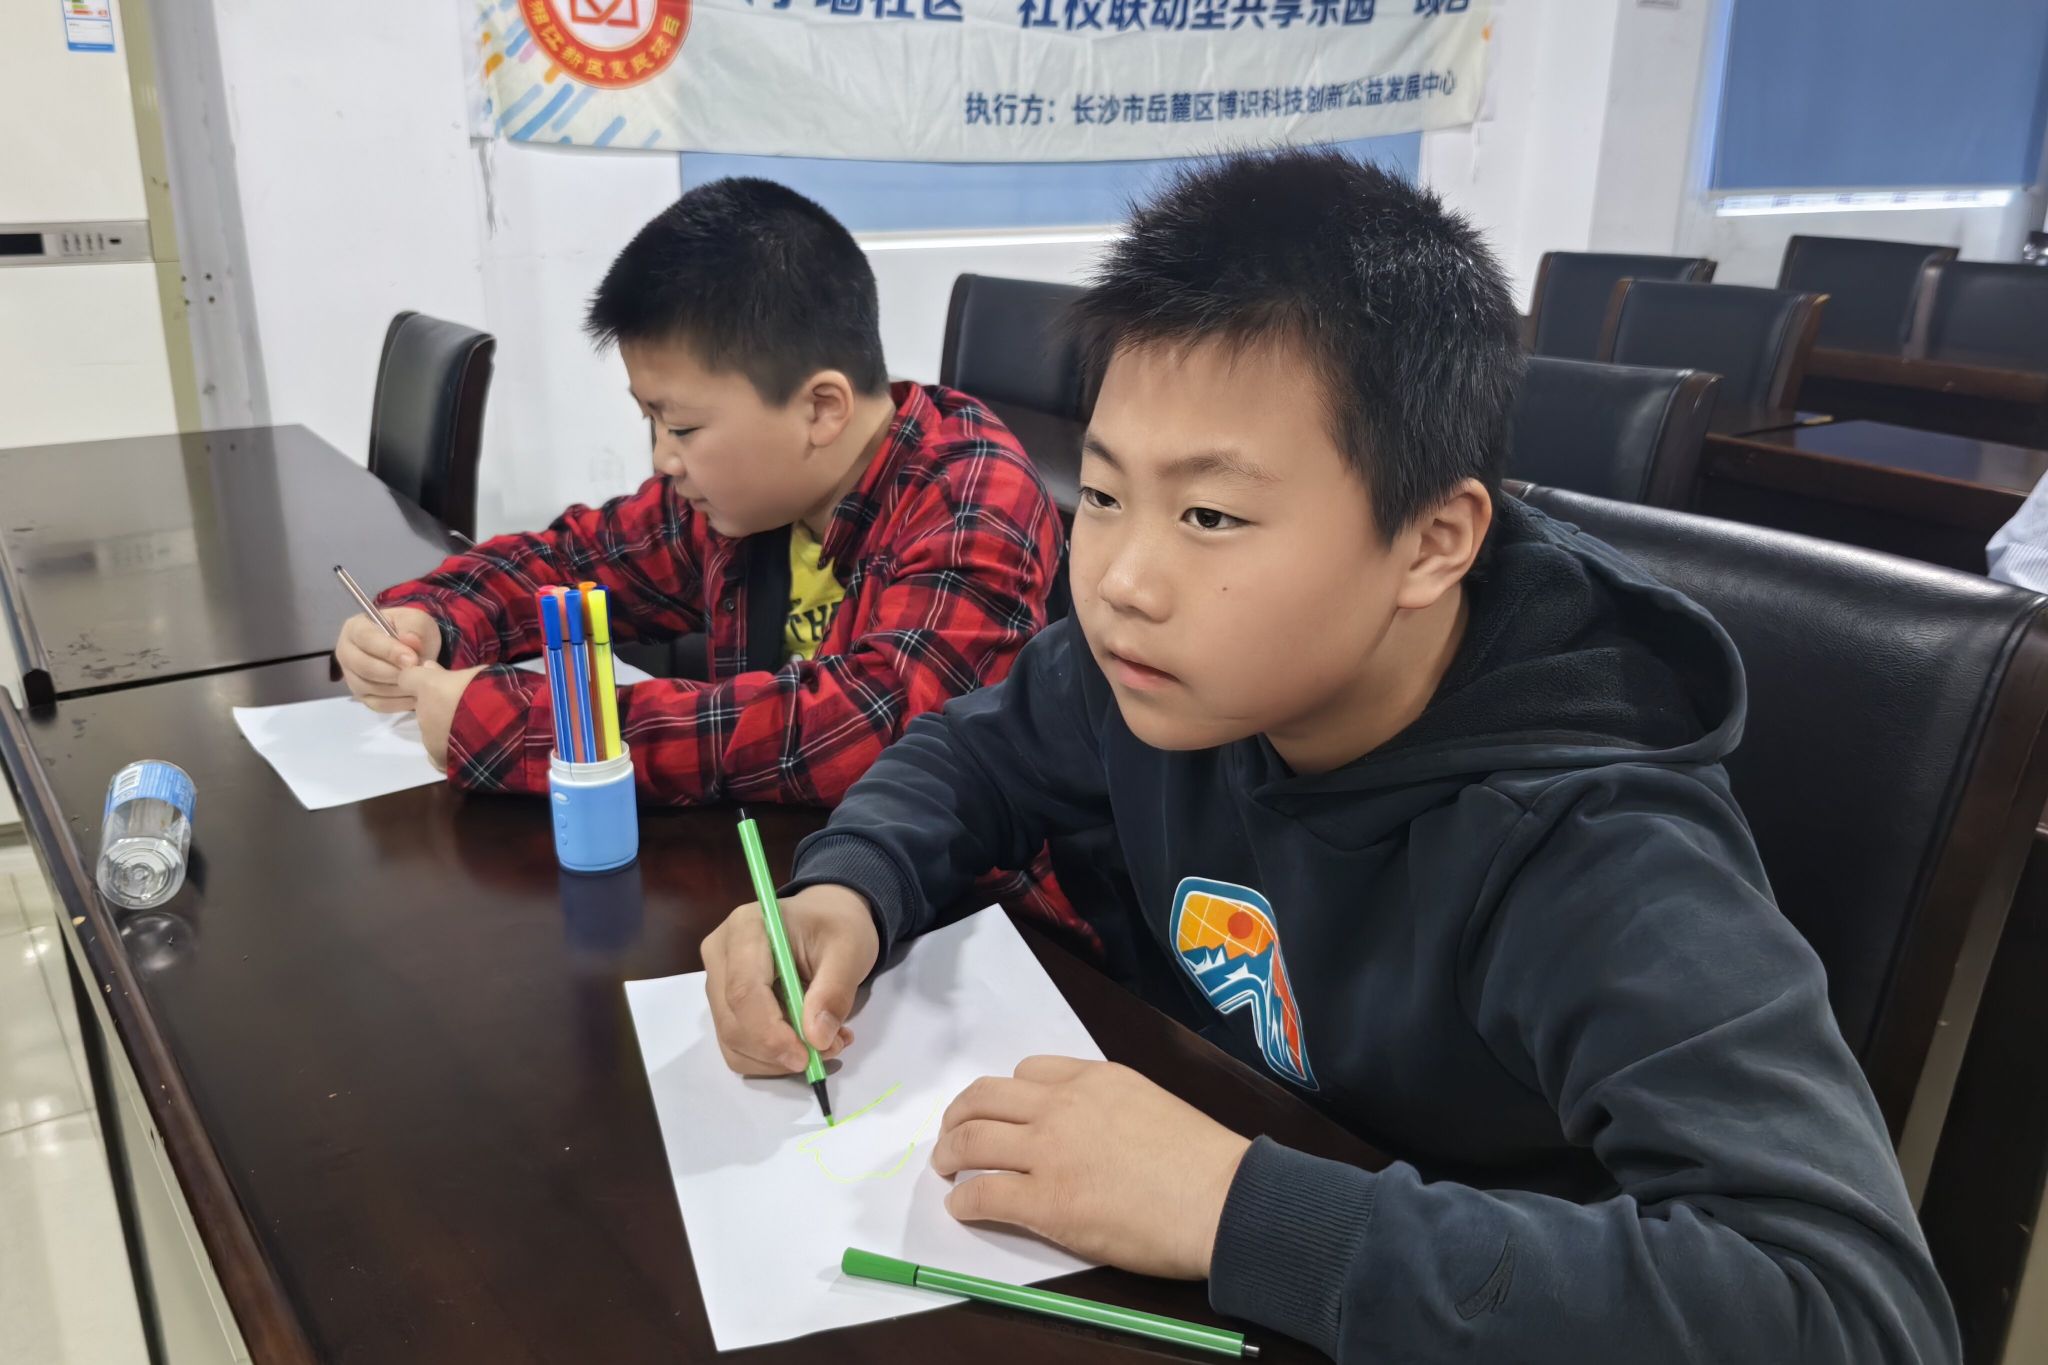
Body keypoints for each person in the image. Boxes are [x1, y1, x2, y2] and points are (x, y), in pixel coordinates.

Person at [697, 150, 1959, 1362]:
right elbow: (971, 757)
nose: (1121, 580)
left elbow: (1853, 1317)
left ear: (1430, 542)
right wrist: (848, 890)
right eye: (1105, 494)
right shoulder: (1154, 673)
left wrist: (1235, 1208)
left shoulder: (1591, 849)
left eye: (1209, 514)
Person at [334, 178, 1073, 924]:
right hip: (774, 878)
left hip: (966, 919)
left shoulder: (971, 495)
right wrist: (432, 616)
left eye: (682, 427)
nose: (663, 458)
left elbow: (868, 728)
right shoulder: (752, 497)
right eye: (651, 422)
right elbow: (578, 559)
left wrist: (532, 725)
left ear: (821, 409)